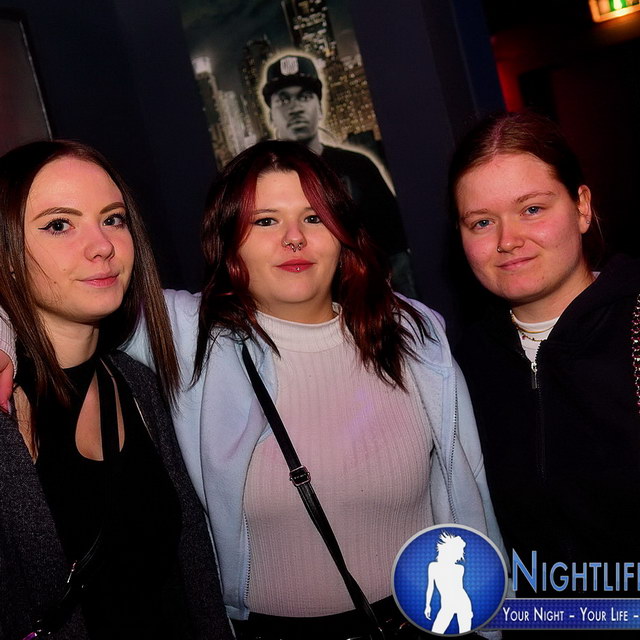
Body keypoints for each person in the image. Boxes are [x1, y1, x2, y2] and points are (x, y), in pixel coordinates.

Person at [1, 140, 500, 639]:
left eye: (313, 217)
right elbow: (62, 300)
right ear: (229, 241)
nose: (294, 239)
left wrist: (487, 623)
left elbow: (466, 488)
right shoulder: (190, 334)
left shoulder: (412, 332)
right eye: (265, 221)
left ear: (342, 232)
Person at [0, 140, 231, 639]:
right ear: (8, 255)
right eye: (59, 225)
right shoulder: (5, 406)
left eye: (113, 219)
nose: (102, 245)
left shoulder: (138, 386)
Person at [450, 111, 640, 599]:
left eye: (532, 209)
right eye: (482, 222)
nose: (507, 240)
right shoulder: (459, 365)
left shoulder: (634, 327)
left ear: (582, 207)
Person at [261, 53, 417, 297]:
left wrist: (402, 308)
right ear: (271, 114)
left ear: (320, 108)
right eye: (283, 100)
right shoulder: (262, 182)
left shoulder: (358, 167)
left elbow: (396, 251)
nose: (295, 108)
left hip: (367, 300)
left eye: (304, 97)